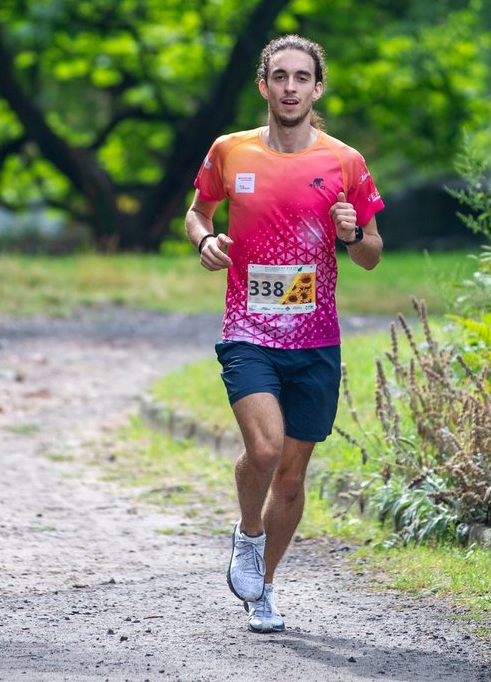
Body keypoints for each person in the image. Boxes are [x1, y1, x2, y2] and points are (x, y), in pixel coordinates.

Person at [184, 34, 384, 633]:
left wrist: (352, 234)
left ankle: (264, 587)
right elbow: (198, 212)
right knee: (265, 450)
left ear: (316, 87)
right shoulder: (230, 152)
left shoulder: (344, 162)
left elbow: (372, 255)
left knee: (293, 475)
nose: (290, 86)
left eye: (302, 77)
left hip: (316, 340)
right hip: (248, 329)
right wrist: (206, 240)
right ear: (263, 85)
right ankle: (248, 536)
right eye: (280, 76)